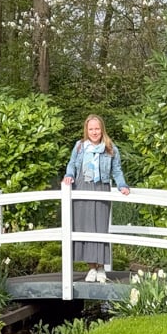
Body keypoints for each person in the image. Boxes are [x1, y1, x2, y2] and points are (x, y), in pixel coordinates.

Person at [63, 114, 130, 283]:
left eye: (97, 129)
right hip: (82, 186)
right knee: (84, 228)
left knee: (100, 228)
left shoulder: (110, 147)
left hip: (101, 187)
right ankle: (91, 267)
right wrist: (69, 176)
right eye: (91, 129)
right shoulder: (79, 147)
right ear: (86, 130)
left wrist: (122, 185)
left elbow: (117, 170)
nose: (94, 132)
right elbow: (71, 164)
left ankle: (101, 267)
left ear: (102, 130)